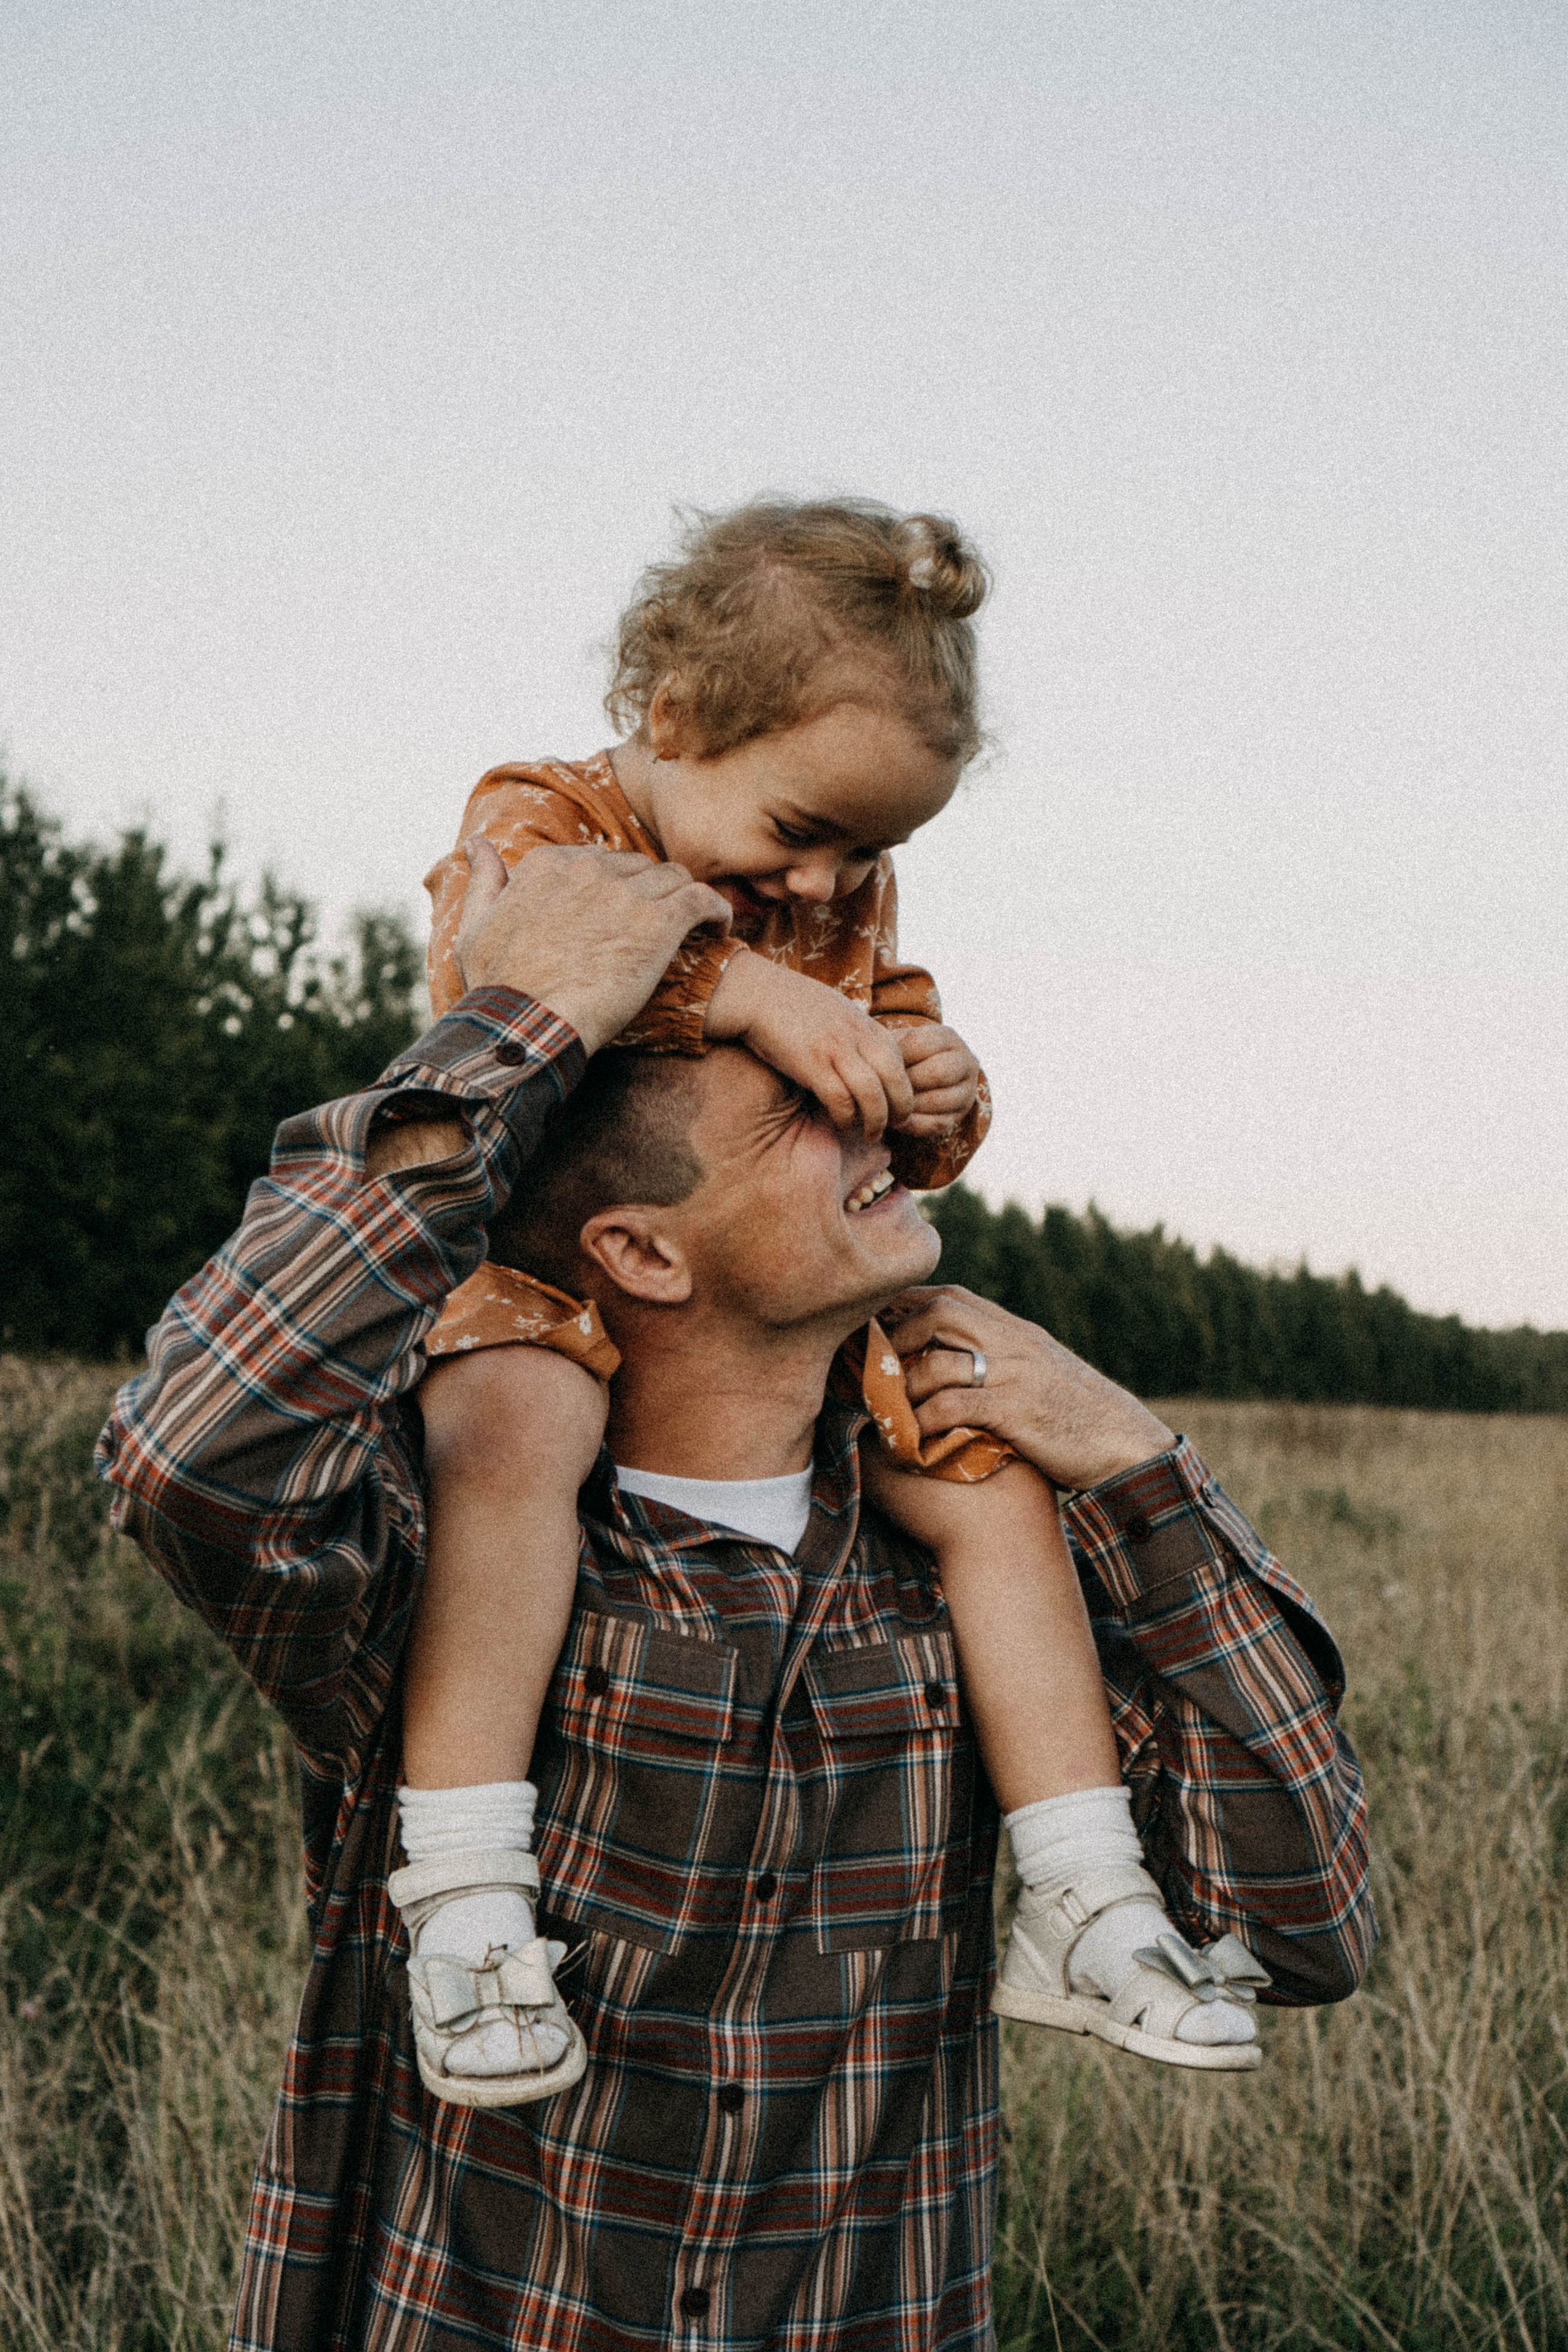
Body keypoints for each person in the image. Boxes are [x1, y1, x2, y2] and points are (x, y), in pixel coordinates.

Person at [98, 844, 1374, 2352]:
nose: (875, 1120)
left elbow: (1298, 1932)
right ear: (638, 1250)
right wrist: (527, 1011)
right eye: (800, 1114)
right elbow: (194, 1452)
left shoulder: (975, 1548)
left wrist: (1134, 1464)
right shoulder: (448, 1565)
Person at [399, 497, 1240, 2105]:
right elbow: (509, 941)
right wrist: (749, 985)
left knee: (973, 1465)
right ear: (672, 721)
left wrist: (934, 1089)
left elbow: (900, 1100)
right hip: (544, 1265)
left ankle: (1083, 1887)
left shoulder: (834, 895)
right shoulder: (547, 805)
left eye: (874, 854)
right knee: (516, 1425)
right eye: (803, 829)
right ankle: (462, 1894)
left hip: (758, 1292)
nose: (829, 879)